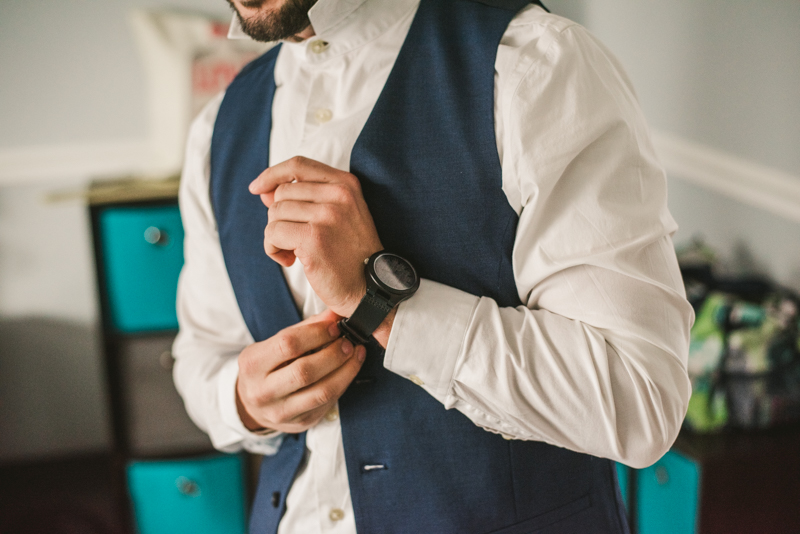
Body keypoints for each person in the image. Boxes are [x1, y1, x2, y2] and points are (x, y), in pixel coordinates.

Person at [172, 0, 694, 532]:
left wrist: (382, 299)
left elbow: (641, 398)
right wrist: (245, 401)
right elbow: (202, 355)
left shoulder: (534, 64)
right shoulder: (217, 129)